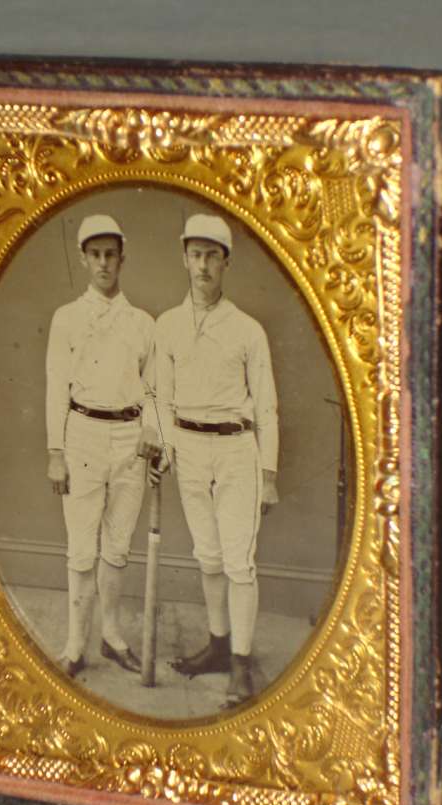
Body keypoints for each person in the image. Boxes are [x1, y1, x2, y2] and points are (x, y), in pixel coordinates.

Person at [151, 213, 279, 705]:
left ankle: (241, 668)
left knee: (238, 563)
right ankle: (219, 646)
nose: (202, 265)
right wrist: (163, 444)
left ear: (226, 262)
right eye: (195, 254)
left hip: (235, 451)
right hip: (188, 450)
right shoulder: (168, 325)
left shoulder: (247, 330)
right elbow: (161, 396)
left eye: (212, 256)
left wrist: (267, 474)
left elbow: (266, 404)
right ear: (184, 258)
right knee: (207, 558)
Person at [46, 214, 159, 677]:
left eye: (111, 254)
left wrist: (155, 438)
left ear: (122, 259)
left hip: (130, 441)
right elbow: (56, 387)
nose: (103, 263)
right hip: (83, 437)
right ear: (84, 259)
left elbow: (153, 391)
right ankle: (75, 646)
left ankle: (111, 637)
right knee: (81, 549)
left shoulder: (142, 323)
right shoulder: (67, 319)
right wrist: (56, 451)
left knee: (117, 548)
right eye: (95, 254)